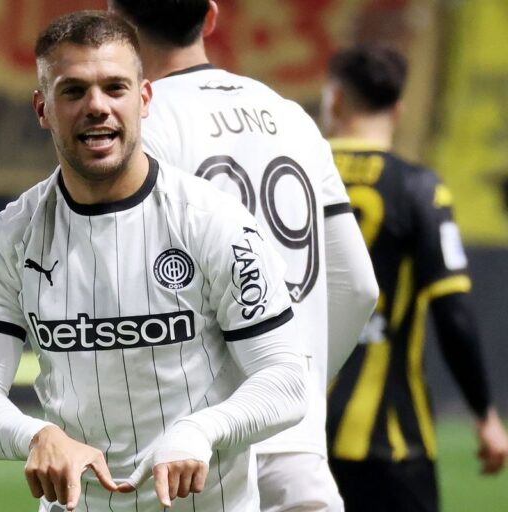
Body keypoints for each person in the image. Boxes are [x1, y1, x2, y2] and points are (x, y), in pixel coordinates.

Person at [0, 11, 310, 512]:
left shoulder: (214, 222)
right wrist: (35, 435)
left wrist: (201, 429)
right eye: (74, 91)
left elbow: (287, 380)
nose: (97, 106)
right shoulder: (9, 238)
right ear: (42, 108)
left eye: (114, 88)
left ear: (144, 99)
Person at [107, 1, 379, 510]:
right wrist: (293, 388)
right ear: (210, 17)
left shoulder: (141, 124)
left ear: (115, 26)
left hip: (193, 456)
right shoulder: (292, 117)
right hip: (296, 454)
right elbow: (360, 287)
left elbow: (125, 291)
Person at [321, 43, 508, 512]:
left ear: (335, 99)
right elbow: (454, 311)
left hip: (296, 435)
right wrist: (484, 414)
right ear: (399, 110)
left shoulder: (291, 177)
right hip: (391, 438)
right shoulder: (417, 187)